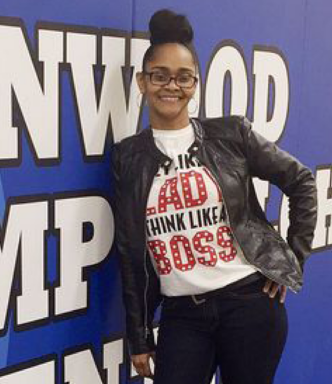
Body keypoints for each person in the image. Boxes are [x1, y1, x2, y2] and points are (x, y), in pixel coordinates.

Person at [109, 9, 317, 384]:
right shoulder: (128, 158)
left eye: (183, 77)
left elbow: (301, 181)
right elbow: (130, 253)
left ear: (195, 83)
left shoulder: (231, 135)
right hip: (182, 316)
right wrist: (138, 335)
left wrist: (292, 259)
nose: (171, 86)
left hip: (250, 306)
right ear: (142, 82)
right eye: (160, 75)